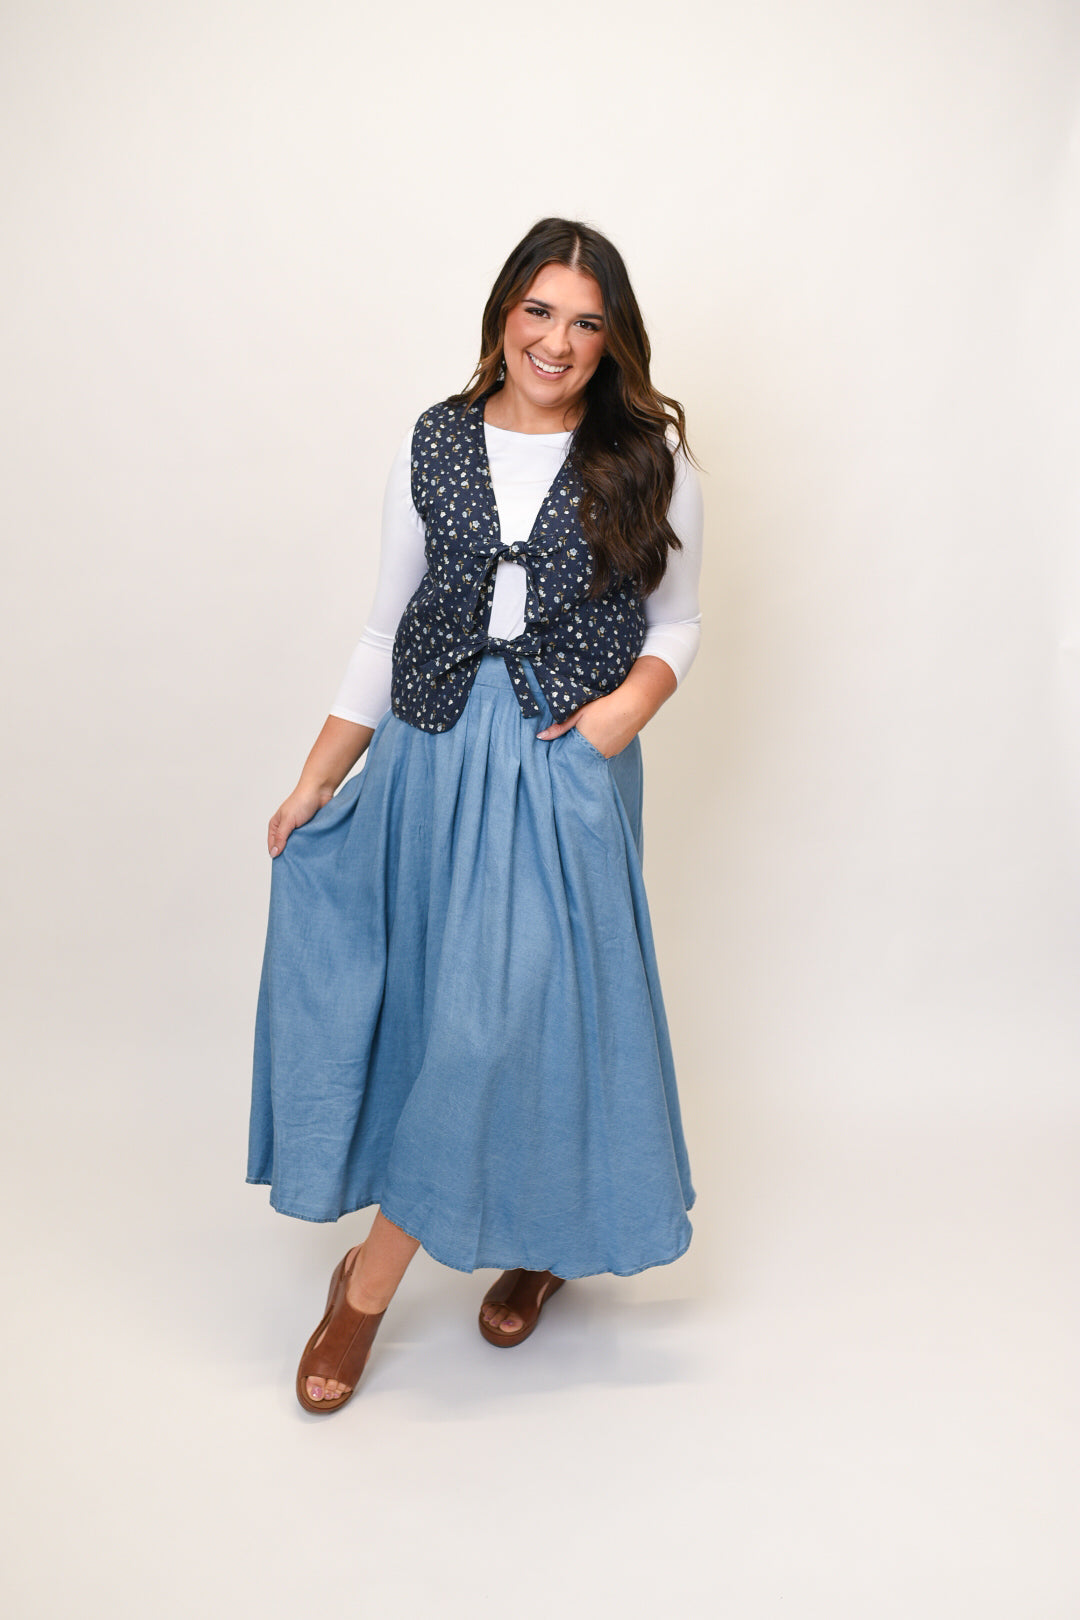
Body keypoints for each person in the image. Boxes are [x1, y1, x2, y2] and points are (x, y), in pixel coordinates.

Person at [248, 217, 703, 1414]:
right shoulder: (435, 443)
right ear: (505, 311)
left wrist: (621, 715)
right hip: (431, 760)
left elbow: (678, 623)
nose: (557, 341)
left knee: (510, 1019)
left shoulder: (649, 456)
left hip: (564, 765)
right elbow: (384, 625)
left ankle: (366, 1289)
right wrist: (317, 778)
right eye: (540, 311)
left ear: (612, 343)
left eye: (586, 322)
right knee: (446, 1015)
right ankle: (531, 1244)